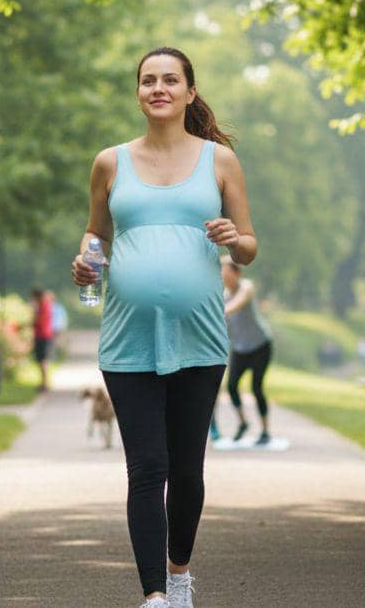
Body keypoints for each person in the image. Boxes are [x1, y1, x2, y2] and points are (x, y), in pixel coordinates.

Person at [71, 46, 256, 608]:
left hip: (200, 337)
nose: (159, 89)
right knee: (146, 467)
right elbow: (96, 238)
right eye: (148, 81)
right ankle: (154, 595)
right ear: (138, 93)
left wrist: (232, 239)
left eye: (170, 80)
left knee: (186, 467)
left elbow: (248, 248)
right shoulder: (110, 162)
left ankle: (179, 577)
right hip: (126, 337)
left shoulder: (218, 161)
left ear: (189, 92)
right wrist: (86, 274)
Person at [219, 254, 273, 445]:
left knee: (256, 388)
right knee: (232, 386)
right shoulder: (223, 296)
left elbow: (239, 302)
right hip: (240, 349)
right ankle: (243, 423)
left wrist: (221, 310)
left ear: (237, 273)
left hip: (260, 346)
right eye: (222, 274)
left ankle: (265, 431)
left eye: (226, 273)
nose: (223, 277)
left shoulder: (246, 287)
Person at [30, 288, 54, 393]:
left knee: (43, 361)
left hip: (42, 336)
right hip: (42, 335)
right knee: (42, 361)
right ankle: (43, 383)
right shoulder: (44, 304)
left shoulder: (43, 305)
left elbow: (38, 320)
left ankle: (44, 384)